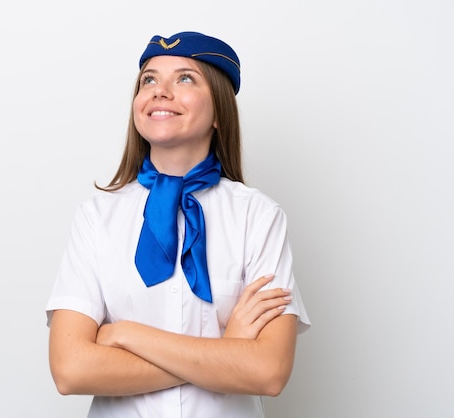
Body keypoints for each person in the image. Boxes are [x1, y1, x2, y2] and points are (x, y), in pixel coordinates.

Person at [46, 31, 310, 418]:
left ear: (220, 111)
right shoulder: (96, 216)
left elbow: (267, 372)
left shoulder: (259, 217)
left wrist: (124, 335)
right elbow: (71, 370)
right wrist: (224, 354)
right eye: (148, 80)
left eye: (184, 78)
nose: (159, 91)